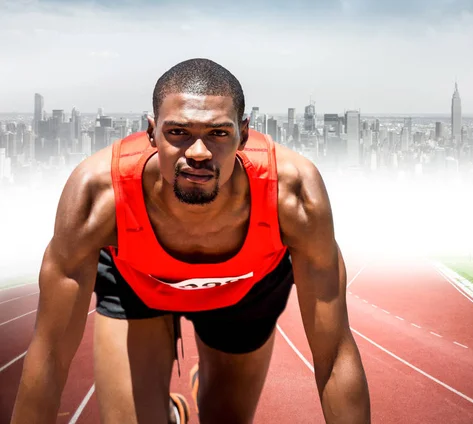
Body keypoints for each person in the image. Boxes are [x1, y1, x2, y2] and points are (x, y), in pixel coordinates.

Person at [11, 58, 371, 424]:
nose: (198, 153)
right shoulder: (97, 195)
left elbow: (334, 353)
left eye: (218, 134)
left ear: (243, 135)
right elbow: (50, 355)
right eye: (178, 132)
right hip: (136, 282)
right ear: (151, 132)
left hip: (248, 290)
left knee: (224, 416)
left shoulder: (293, 195)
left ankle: (204, 387)